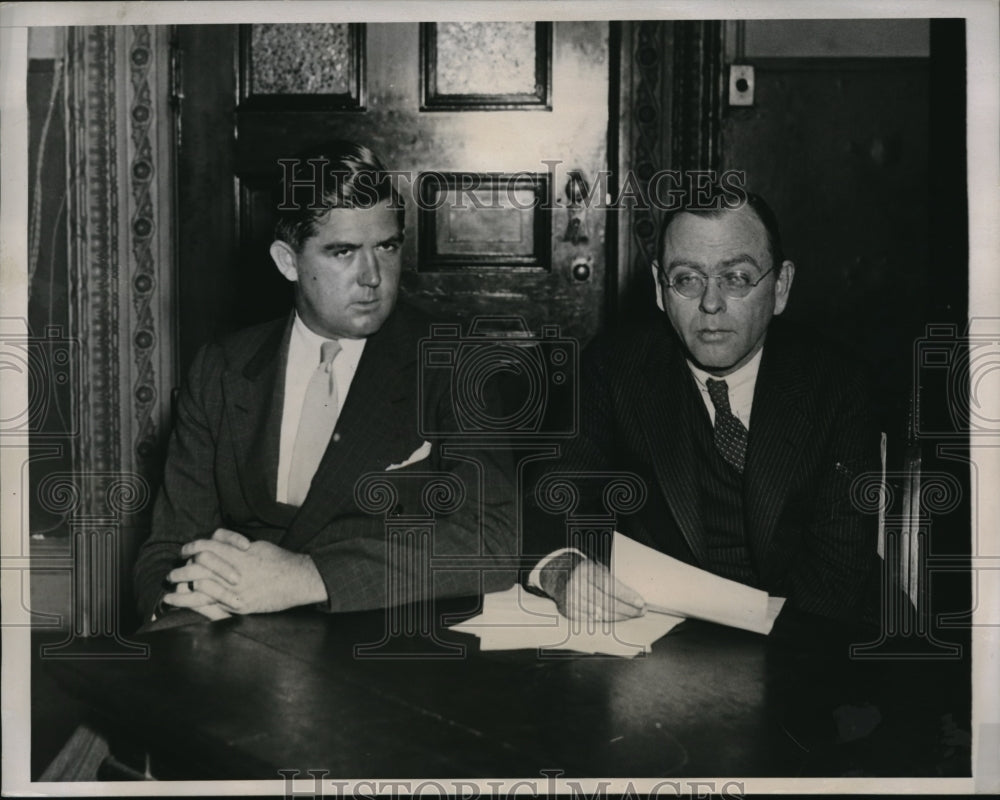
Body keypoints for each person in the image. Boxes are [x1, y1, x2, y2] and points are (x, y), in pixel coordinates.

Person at [134, 141, 515, 623]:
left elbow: (492, 539)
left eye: (387, 247)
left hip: (387, 643)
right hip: (236, 631)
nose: (373, 276)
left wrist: (308, 577)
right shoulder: (222, 368)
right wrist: (181, 599)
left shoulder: (453, 360)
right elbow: (167, 547)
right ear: (287, 261)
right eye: (343, 252)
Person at [526, 191, 881, 628]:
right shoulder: (614, 368)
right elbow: (549, 501)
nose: (711, 304)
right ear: (660, 289)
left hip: (801, 644)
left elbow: (838, 577)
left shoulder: (837, 385)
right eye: (687, 279)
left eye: (736, 278)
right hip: (657, 639)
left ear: (781, 287)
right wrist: (565, 571)